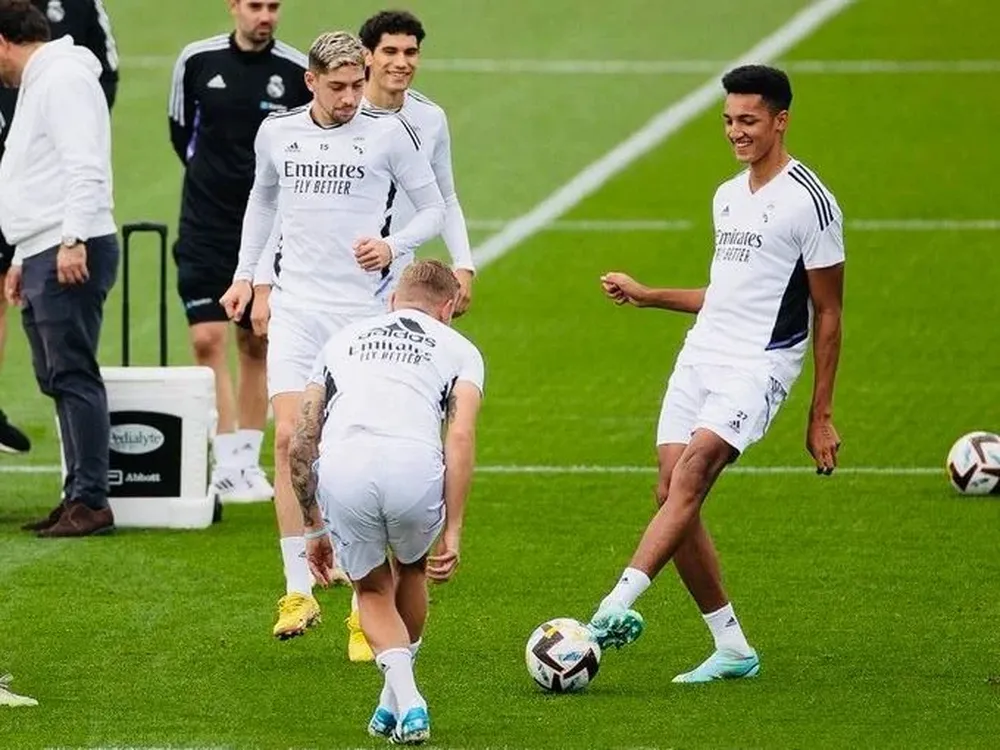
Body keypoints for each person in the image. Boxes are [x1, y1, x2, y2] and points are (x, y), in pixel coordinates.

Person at [587, 65, 845, 683]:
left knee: (695, 470)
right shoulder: (727, 195)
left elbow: (829, 312)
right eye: (729, 121)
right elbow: (727, 294)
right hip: (702, 352)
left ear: (780, 120)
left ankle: (610, 608)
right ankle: (732, 647)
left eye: (749, 121)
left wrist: (821, 414)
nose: (736, 132)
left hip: (760, 363)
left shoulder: (811, 202)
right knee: (671, 490)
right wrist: (649, 296)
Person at [220, 30, 446, 640]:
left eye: (356, 85)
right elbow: (263, 205)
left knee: (343, 451)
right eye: (339, 87)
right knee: (291, 437)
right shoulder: (279, 134)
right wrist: (248, 278)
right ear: (311, 81)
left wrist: (394, 244)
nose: (351, 99)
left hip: (360, 316)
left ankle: (360, 604)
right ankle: (297, 591)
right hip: (297, 308)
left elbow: (434, 208)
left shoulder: (387, 134)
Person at [290, 259, 483, 744]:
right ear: (448, 308)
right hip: (414, 465)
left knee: (372, 590)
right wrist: (455, 529)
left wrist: (312, 529)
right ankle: (402, 699)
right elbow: (459, 437)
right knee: (411, 570)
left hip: (346, 463)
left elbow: (301, 438)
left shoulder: (342, 340)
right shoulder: (462, 349)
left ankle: (402, 697)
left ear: (393, 299)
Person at [168, 0, 310, 501]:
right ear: (234, 7)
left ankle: (247, 461)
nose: (265, 15)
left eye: (273, 6)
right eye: (255, 5)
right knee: (207, 337)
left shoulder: (295, 71)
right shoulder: (197, 61)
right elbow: (181, 133)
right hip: (206, 223)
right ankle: (224, 457)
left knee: (255, 341)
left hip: (269, 228)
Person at [0, 0, 120, 537]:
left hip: (72, 245)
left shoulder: (62, 80)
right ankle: (76, 494)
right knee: (56, 375)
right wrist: (25, 255)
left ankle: (91, 502)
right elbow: (39, 174)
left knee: (73, 373)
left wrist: (71, 240)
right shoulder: (45, 80)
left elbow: (83, 164)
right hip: (46, 246)